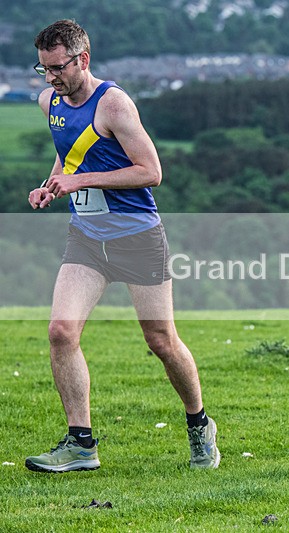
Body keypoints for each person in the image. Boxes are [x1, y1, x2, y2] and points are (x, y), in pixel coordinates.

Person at [25, 19, 219, 472]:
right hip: (87, 237)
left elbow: (151, 172)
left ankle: (199, 424)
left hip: (137, 237)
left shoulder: (114, 104)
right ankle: (81, 444)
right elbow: (69, 153)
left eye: (57, 68)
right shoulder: (49, 101)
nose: (50, 77)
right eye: (43, 69)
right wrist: (51, 185)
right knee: (61, 331)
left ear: (83, 59)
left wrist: (80, 181)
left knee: (161, 340)